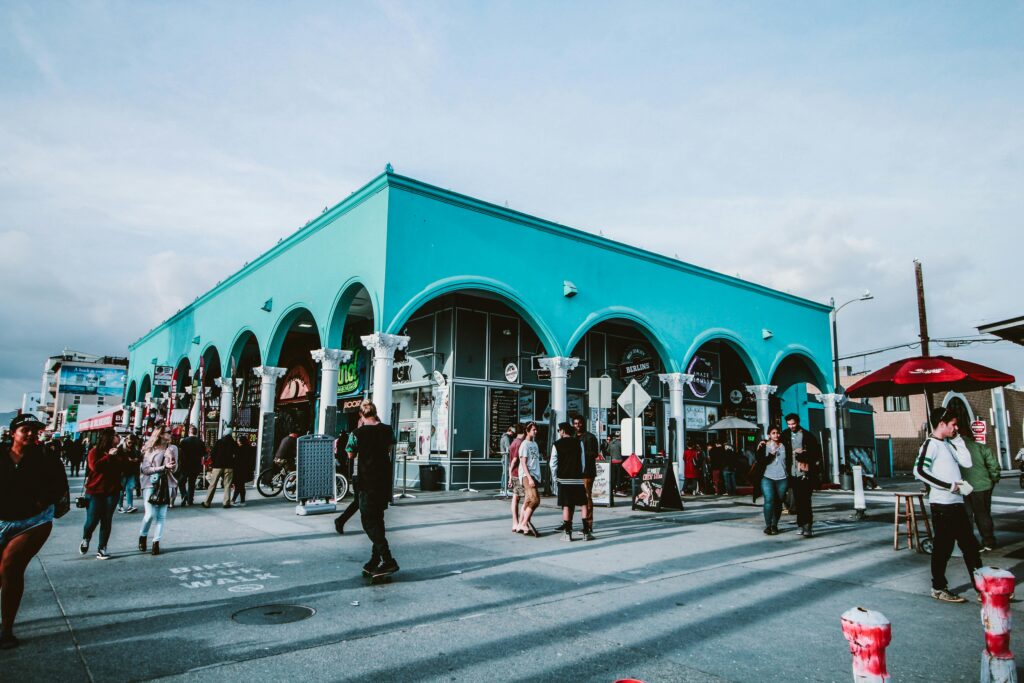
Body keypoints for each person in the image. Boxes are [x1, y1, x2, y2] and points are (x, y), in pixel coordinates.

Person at [0, 414, 67, 649]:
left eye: (34, 430)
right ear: (12, 433)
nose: (30, 434)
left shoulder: (46, 457)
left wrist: (43, 500)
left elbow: (60, 485)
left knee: (10, 568)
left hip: (33, 522)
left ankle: (6, 630)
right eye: (25, 430)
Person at [914, 407, 981, 603]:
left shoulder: (949, 444)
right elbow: (919, 471)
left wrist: (958, 439)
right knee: (944, 547)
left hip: (956, 503)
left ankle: (981, 587)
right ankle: (938, 587)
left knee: (969, 546)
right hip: (942, 505)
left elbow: (967, 463)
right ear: (941, 424)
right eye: (953, 424)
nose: (956, 427)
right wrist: (948, 486)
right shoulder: (931, 444)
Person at [351, 400, 399, 578]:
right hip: (383, 481)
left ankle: (388, 560)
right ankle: (374, 561)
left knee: (368, 522)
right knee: (378, 520)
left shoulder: (357, 433)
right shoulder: (387, 430)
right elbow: (389, 447)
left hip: (367, 481)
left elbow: (350, 453)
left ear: (361, 415)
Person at [81, 428, 125, 559]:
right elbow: (95, 467)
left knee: (106, 519)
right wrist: (109, 456)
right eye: (116, 435)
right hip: (95, 491)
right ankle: (86, 538)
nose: (119, 437)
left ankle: (102, 548)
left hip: (112, 491)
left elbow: (125, 467)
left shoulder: (119, 452)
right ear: (109, 438)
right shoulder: (94, 452)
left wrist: (122, 456)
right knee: (92, 520)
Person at [958, 423, 1000, 552]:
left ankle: (969, 543)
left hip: (963, 487)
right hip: (983, 486)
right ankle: (988, 542)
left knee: (967, 515)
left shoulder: (954, 449)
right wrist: (993, 479)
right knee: (983, 514)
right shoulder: (981, 447)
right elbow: (994, 466)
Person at [781, 413, 822, 538]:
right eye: (789, 424)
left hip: (805, 472)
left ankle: (807, 526)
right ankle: (800, 524)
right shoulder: (785, 434)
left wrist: (803, 453)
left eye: (793, 423)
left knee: (805, 500)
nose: (791, 426)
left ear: (798, 422)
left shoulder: (808, 436)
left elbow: (816, 454)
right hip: (791, 473)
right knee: (797, 500)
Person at [139, 426, 177, 555]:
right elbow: (145, 470)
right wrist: (162, 467)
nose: (171, 434)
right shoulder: (150, 449)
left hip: (167, 484)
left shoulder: (173, 448)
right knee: (149, 514)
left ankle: (156, 542)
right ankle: (143, 536)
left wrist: (171, 458)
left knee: (161, 516)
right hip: (150, 483)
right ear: (160, 435)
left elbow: (175, 469)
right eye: (169, 432)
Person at [552, 422, 590, 541]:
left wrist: (554, 477)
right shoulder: (579, 443)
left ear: (563, 431)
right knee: (583, 503)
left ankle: (567, 533)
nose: (559, 432)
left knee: (567, 504)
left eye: (559, 430)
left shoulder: (556, 444)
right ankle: (586, 531)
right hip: (577, 478)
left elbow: (553, 463)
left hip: (564, 479)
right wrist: (580, 473)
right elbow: (583, 461)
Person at [754, 427, 788, 535]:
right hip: (767, 477)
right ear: (769, 435)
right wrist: (771, 455)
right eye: (773, 433)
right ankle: (768, 526)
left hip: (783, 478)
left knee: (778, 502)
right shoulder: (763, 446)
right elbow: (760, 461)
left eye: (778, 433)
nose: (776, 435)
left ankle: (774, 525)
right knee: (769, 500)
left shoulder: (785, 445)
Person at [572, 414, 599, 536]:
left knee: (587, 497)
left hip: (587, 472)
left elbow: (594, 453)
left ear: (583, 423)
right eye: (575, 423)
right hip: (575, 472)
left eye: (579, 423)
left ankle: (588, 525)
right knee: (574, 498)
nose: (577, 426)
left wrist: (580, 454)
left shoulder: (590, 437)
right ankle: (571, 523)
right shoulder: (573, 437)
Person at [515, 422, 541, 537]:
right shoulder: (524, 444)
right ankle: (524, 523)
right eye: (534, 430)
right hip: (527, 475)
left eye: (536, 430)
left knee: (527, 500)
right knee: (535, 500)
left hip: (534, 474)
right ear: (527, 430)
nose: (535, 432)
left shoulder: (534, 444)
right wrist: (529, 478)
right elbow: (523, 463)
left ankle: (521, 524)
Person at [334, 429, 360, 535]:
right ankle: (341, 520)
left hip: (358, 472)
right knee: (359, 501)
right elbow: (349, 454)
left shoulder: (352, 435)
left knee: (358, 501)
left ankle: (341, 520)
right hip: (361, 472)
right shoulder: (355, 434)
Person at [202, 432, 237, 508]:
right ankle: (226, 503)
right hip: (229, 466)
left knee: (213, 484)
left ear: (224, 434)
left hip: (218, 466)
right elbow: (236, 455)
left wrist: (215, 462)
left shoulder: (219, 442)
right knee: (227, 485)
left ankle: (207, 502)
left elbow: (213, 453)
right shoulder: (233, 443)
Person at [177, 426, 206, 506]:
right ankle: (190, 499)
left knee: (181, 482)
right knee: (192, 483)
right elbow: (204, 453)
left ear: (189, 432)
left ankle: (184, 495)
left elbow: (180, 453)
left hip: (185, 465)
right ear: (196, 432)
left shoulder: (184, 441)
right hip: (196, 465)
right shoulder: (200, 442)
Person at [117, 434, 142, 513]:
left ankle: (130, 506)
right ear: (126, 440)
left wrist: (137, 459)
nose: (131, 444)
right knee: (121, 490)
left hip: (131, 471)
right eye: (129, 442)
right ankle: (120, 506)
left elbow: (139, 457)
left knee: (129, 488)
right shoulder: (120, 448)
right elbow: (117, 460)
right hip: (122, 472)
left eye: (132, 443)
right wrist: (128, 460)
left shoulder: (134, 448)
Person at [508, 423, 524, 533]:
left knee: (515, 498)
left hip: (514, 473)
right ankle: (521, 522)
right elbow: (514, 460)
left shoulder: (513, 442)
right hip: (518, 473)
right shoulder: (520, 443)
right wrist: (510, 476)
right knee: (526, 499)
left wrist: (510, 476)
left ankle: (515, 522)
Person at [232, 434, 256, 506]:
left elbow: (236, 460)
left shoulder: (239, 449)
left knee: (239, 486)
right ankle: (241, 500)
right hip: (246, 470)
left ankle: (234, 500)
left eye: (238, 441)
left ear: (240, 442)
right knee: (241, 485)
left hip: (239, 470)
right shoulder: (250, 449)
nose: (237, 442)